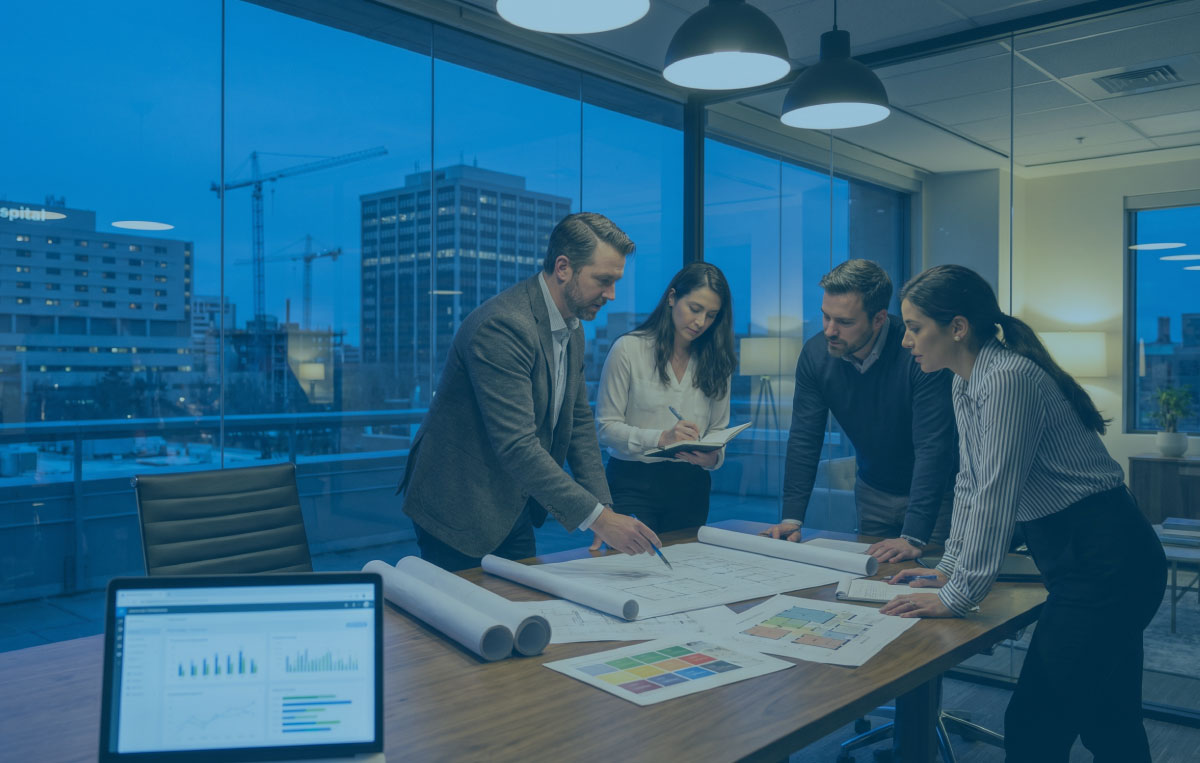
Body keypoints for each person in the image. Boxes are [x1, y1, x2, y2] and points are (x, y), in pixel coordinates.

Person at [881, 264, 1167, 762]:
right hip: (1084, 556)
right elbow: (970, 483)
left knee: (1035, 725)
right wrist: (949, 567)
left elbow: (998, 493)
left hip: (1108, 560)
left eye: (914, 327)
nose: (906, 341)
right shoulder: (965, 381)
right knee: (1110, 720)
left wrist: (959, 595)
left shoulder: (1008, 378)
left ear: (957, 327)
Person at [399, 212, 661, 571]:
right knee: (465, 605)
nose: (611, 295)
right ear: (563, 267)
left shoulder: (572, 327)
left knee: (523, 596)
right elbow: (517, 445)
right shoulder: (504, 326)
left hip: (512, 498)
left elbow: (578, 422)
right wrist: (598, 520)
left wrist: (604, 506)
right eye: (603, 280)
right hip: (457, 503)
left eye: (615, 282)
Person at [762, 259, 957, 563]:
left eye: (844, 322)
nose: (830, 330)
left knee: (928, 580)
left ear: (879, 319)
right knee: (873, 576)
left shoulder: (918, 352)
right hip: (872, 491)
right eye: (826, 316)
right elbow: (804, 438)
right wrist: (791, 519)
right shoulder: (815, 355)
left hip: (937, 497)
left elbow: (933, 448)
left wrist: (914, 535)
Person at [593, 262, 737, 542]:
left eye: (711, 315)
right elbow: (606, 428)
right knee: (632, 565)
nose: (700, 322)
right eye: (694, 309)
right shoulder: (629, 349)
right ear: (672, 298)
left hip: (692, 485)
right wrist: (661, 438)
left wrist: (713, 457)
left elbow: (719, 429)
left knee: (686, 566)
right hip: (632, 482)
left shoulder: (718, 362)